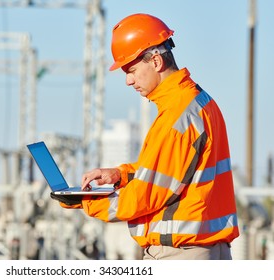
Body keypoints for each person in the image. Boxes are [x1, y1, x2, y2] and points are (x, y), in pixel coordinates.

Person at [51, 13, 240, 260]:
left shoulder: (177, 116)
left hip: (181, 255)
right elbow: (173, 171)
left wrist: (84, 200)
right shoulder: (199, 102)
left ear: (156, 62)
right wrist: (121, 175)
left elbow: (144, 196)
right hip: (202, 251)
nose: (129, 81)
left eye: (131, 70)